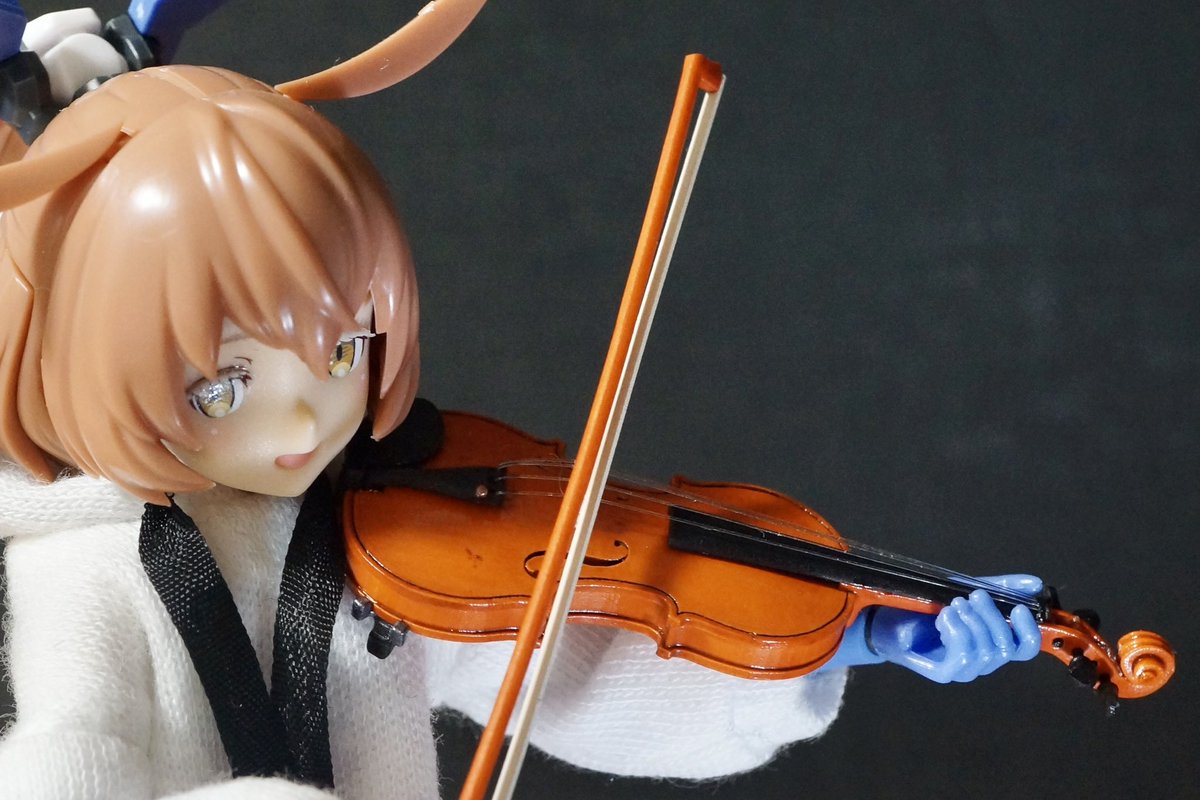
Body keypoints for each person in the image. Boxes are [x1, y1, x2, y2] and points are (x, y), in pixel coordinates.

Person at [0, 12, 1041, 800]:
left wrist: (848, 631)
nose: (304, 421)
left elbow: (577, 671)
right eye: (222, 386)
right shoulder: (86, 571)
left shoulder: (392, 533)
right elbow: (67, 762)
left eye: (343, 348)